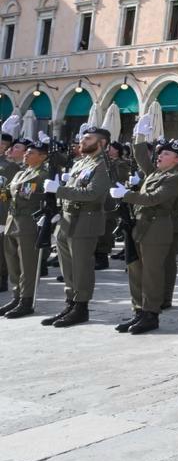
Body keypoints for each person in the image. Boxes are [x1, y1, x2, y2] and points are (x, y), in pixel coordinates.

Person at [118, 124, 178, 334]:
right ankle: (139, 310)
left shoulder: (176, 178)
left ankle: (151, 314)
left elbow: (154, 199)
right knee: (135, 269)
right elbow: (142, 158)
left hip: (158, 227)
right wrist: (139, 136)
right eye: (160, 152)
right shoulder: (155, 174)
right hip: (142, 225)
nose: (159, 155)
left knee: (152, 272)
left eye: (166, 153)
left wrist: (126, 195)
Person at [43, 121, 113, 327]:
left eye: (88, 138)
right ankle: (70, 303)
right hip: (66, 219)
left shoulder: (103, 165)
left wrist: (60, 190)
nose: (82, 141)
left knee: (81, 266)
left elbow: (93, 193)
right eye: (82, 138)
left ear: (102, 143)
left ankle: (81, 307)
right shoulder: (81, 162)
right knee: (67, 267)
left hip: (86, 220)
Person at [1, 135, 48, 318]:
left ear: (42, 156)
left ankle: (26, 300)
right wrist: (12, 190)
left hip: (27, 222)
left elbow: (23, 195)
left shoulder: (41, 174)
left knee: (27, 263)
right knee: (12, 261)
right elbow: (10, 191)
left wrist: (12, 190)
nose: (27, 155)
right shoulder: (22, 172)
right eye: (26, 152)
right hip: (12, 220)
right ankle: (16, 296)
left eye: (31, 153)